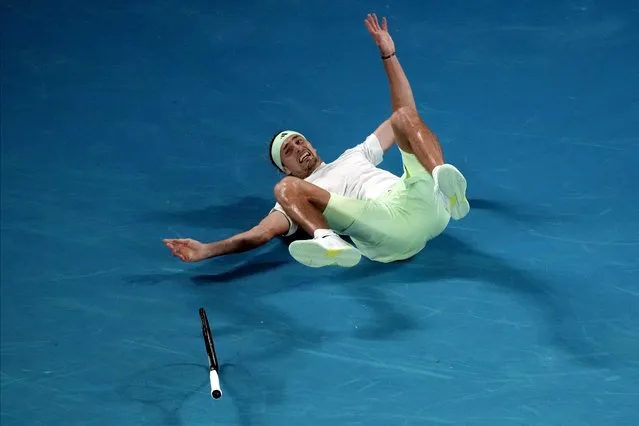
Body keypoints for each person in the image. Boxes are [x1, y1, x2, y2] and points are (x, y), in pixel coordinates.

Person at [164, 13, 470, 268]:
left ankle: (443, 181)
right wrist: (207, 250)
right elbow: (259, 234)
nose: (299, 148)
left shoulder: (356, 155)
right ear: (284, 166)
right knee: (285, 191)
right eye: (288, 150)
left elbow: (407, 114)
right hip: (387, 226)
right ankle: (327, 240)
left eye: (299, 141)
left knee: (402, 117)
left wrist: (388, 54)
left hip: (429, 207)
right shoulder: (292, 197)